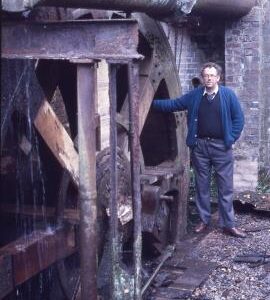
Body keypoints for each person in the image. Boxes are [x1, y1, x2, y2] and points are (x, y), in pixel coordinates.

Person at [153, 62, 246, 238]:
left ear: (219, 78)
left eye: (212, 75)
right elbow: (174, 104)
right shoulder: (195, 96)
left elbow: (239, 119)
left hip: (221, 147)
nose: (209, 78)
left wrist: (230, 138)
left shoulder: (228, 96)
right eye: (206, 75)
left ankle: (228, 224)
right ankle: (204, 220)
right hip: (200, 147)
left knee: (225, 187)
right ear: (202, 78)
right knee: (201, 186)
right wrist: (149, 103)